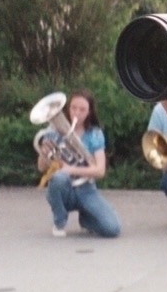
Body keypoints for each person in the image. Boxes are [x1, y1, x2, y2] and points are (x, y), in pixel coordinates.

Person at [36, 89, 120, 238]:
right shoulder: (53, 132)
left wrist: (70, 169)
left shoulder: (94, 134)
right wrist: (43, 153)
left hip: (86, 189)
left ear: (89, 112)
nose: (77, 113)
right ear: (67, 109)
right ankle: (59, 221)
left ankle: (86, 219)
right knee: (58, 178)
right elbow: (41, 167)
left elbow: (100, 171)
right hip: (63, 188)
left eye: (82, 109)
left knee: (112, 229)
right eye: (73, 108)